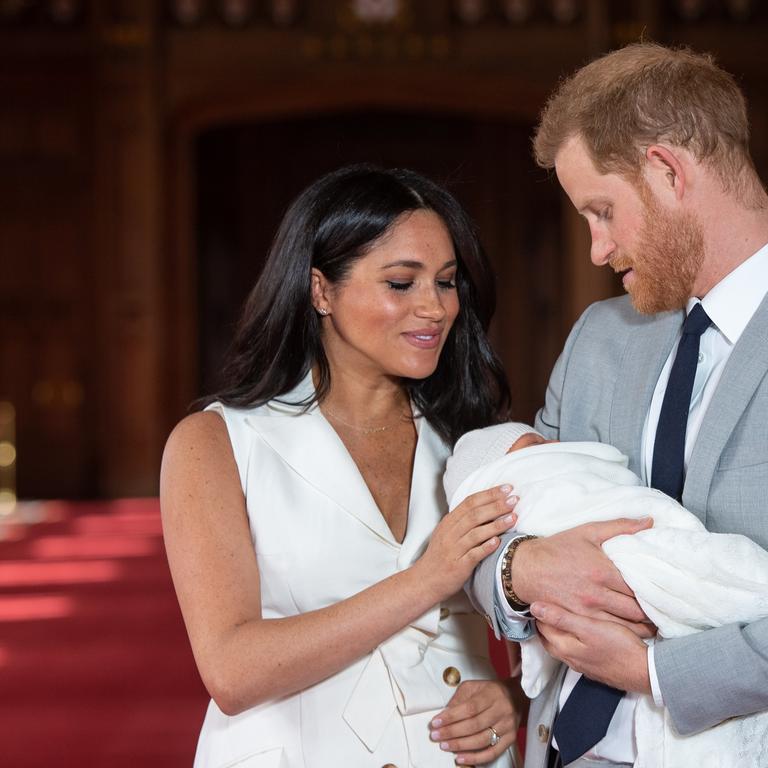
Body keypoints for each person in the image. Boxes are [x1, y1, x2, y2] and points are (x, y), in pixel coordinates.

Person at [462, 44, 768, 768]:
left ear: (669, 171)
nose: (597, 249)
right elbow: (496, 519)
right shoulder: (602, 337)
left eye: (603, 212)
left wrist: (655, 673)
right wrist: (518, 572)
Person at [160, 165, 524, 768]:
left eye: (448, 281)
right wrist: (425, 580)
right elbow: (231, 671)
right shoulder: (218, 443)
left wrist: (510, 699)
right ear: (320, 290)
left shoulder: (478, 443)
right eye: (402, 283)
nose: (435, 308)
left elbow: (537, 642)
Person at [444, 422, 768, 768]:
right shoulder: (589, 345)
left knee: (701, 571)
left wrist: (653, 671)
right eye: (534, 449)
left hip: (709, 701)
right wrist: (520, 566)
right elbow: (476, 547)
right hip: (564, 747)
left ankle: (754, 590)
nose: (550, 448)